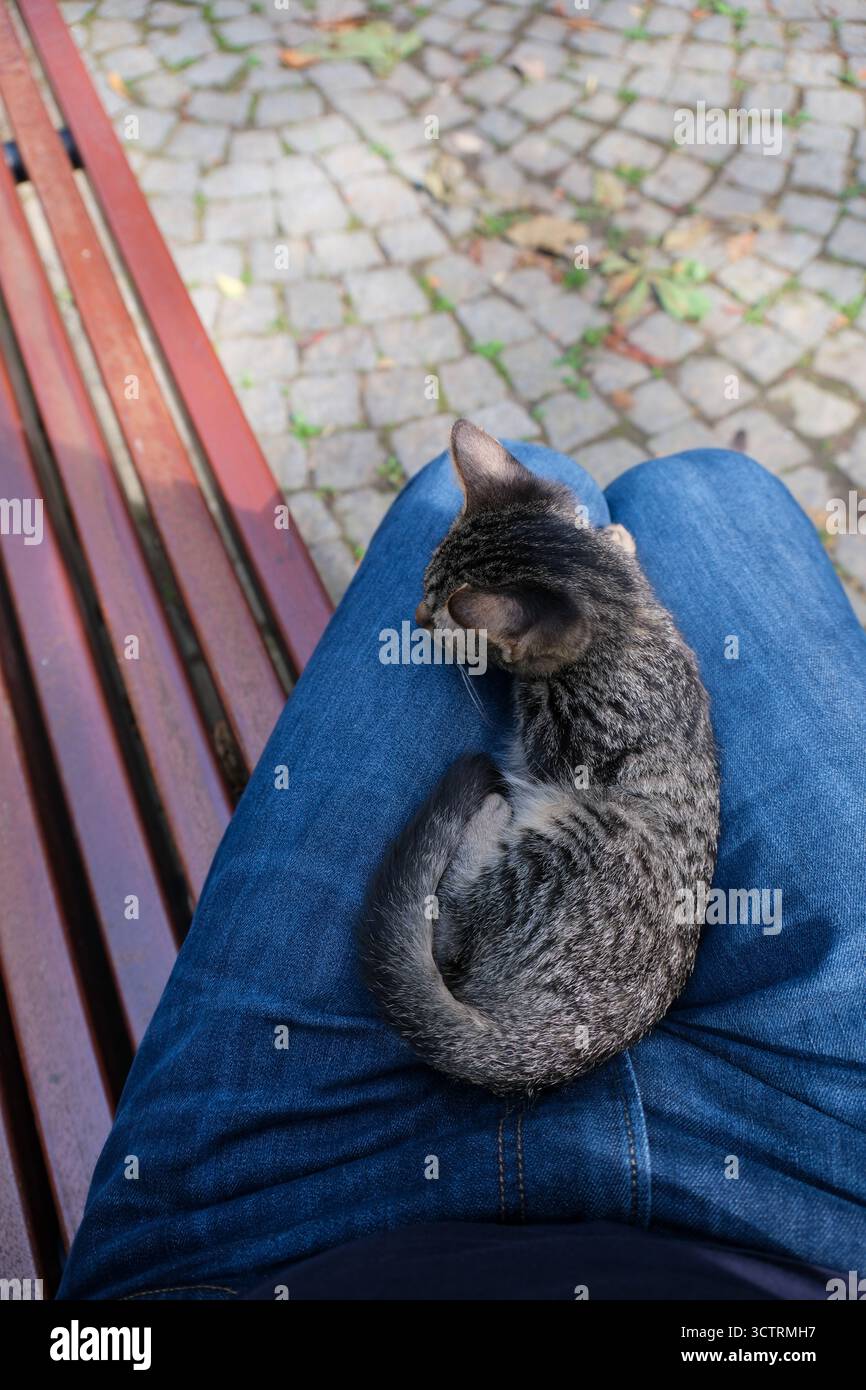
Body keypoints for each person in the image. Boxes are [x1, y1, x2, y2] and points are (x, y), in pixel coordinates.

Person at [58, 444, 866, 1301]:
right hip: (819, 1195)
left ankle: (458, 931)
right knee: (708, 483)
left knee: (516, 493)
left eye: (449, 616)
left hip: (264, 1232)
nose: (425, 619)